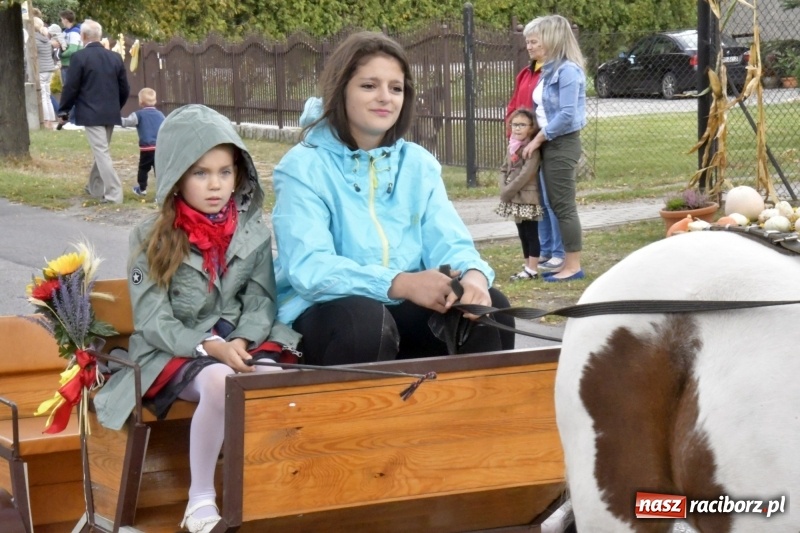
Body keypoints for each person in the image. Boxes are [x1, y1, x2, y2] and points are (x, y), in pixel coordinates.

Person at [93, 104, 302, 533]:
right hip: (172, 350)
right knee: (220, 382)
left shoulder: (253, 233)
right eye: (200, 173)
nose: (215, 185)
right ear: (175, 176)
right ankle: (200, 497)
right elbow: (151, 318)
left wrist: (242, 342)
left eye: (225, 172)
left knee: (266, 375)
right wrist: (208, 346)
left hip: (236, 341)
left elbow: (261, 300)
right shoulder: (151, 236)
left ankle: (264, 485)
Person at [272, 32, 515, 366]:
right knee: (365, 323)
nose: (385, 97)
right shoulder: (302, 167)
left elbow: (448, 241)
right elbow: (310, 269)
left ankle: (472, 418)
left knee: (488, 311)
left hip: (401, 305)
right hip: (324, 314)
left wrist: (472, 277)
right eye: (369, 86)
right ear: (341, 90)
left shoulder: (418, 164)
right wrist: (400, 283)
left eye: (396, 88)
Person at [521, 15, 587, 282]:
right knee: (555, 204)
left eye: (535, 39)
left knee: (563, 205)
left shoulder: (568, 71)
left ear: (552, 39)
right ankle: (565, 263)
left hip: (562, 143)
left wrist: (538, 139)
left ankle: (573, 266)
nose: (530, 45)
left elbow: (568, 115)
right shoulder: (550, 69)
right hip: (550, 143)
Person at [507, 17, 566, 274]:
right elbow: (514, 107)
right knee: (534, 200)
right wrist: (514, 139)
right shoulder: (526, 73)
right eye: (527, 42)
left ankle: (559, 252)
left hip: (546, 142)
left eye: (533, 41)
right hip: (524, 147)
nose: (529, 47)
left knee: (552, 198)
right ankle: (543, 248)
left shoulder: (554, 72)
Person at [58, 19, 130, 204]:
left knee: (102, 153)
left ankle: (114, 194)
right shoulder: (115, 58)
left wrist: (64, 110)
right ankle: (94, 187)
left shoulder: (79, 57)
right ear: (99, 36)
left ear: (83, 36)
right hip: (110, 112)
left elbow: (71, 87)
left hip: (91, 113)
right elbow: (125, 89)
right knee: (102, 151)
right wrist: (116, 106)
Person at [496, 108, 543, 281]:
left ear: (531, 128)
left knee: (531, 233)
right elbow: (503, 168)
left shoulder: (532, 149)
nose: (517, 128)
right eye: (514, 124)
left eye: (522, 125)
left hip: (526, 198)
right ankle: (527, 266)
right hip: (513, 197)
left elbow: (527, 173)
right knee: (521, 232)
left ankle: (533, 269)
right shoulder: (512, 146)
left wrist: (509, 190)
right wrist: (503, 187)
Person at [122, 87, 166, 197]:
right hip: (159, 148)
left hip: (146, 148)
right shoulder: (160, 115)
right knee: (159, 171)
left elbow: (127, 122)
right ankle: (162, 193)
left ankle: (142, 189)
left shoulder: (138, 114)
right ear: (155, 101)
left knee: (143, 169)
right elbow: (166, 127)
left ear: (140, 102)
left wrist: (115, 119)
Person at [32, 17, 57, 129]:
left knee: (43, 96)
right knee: (47, 95)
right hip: (49, 69)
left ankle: (46, 120)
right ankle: (51, 120)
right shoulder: (45, 39)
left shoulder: (35, 40)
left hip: (41, 70)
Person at [58, 9, 81, 87]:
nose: (61, 22)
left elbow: (72, 50)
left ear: (65, 20)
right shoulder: (65, 32)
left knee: (69, 87)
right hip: (65, 64)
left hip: (69, 64)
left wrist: (60, 55)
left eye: (62, 19)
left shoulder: (74, 32)